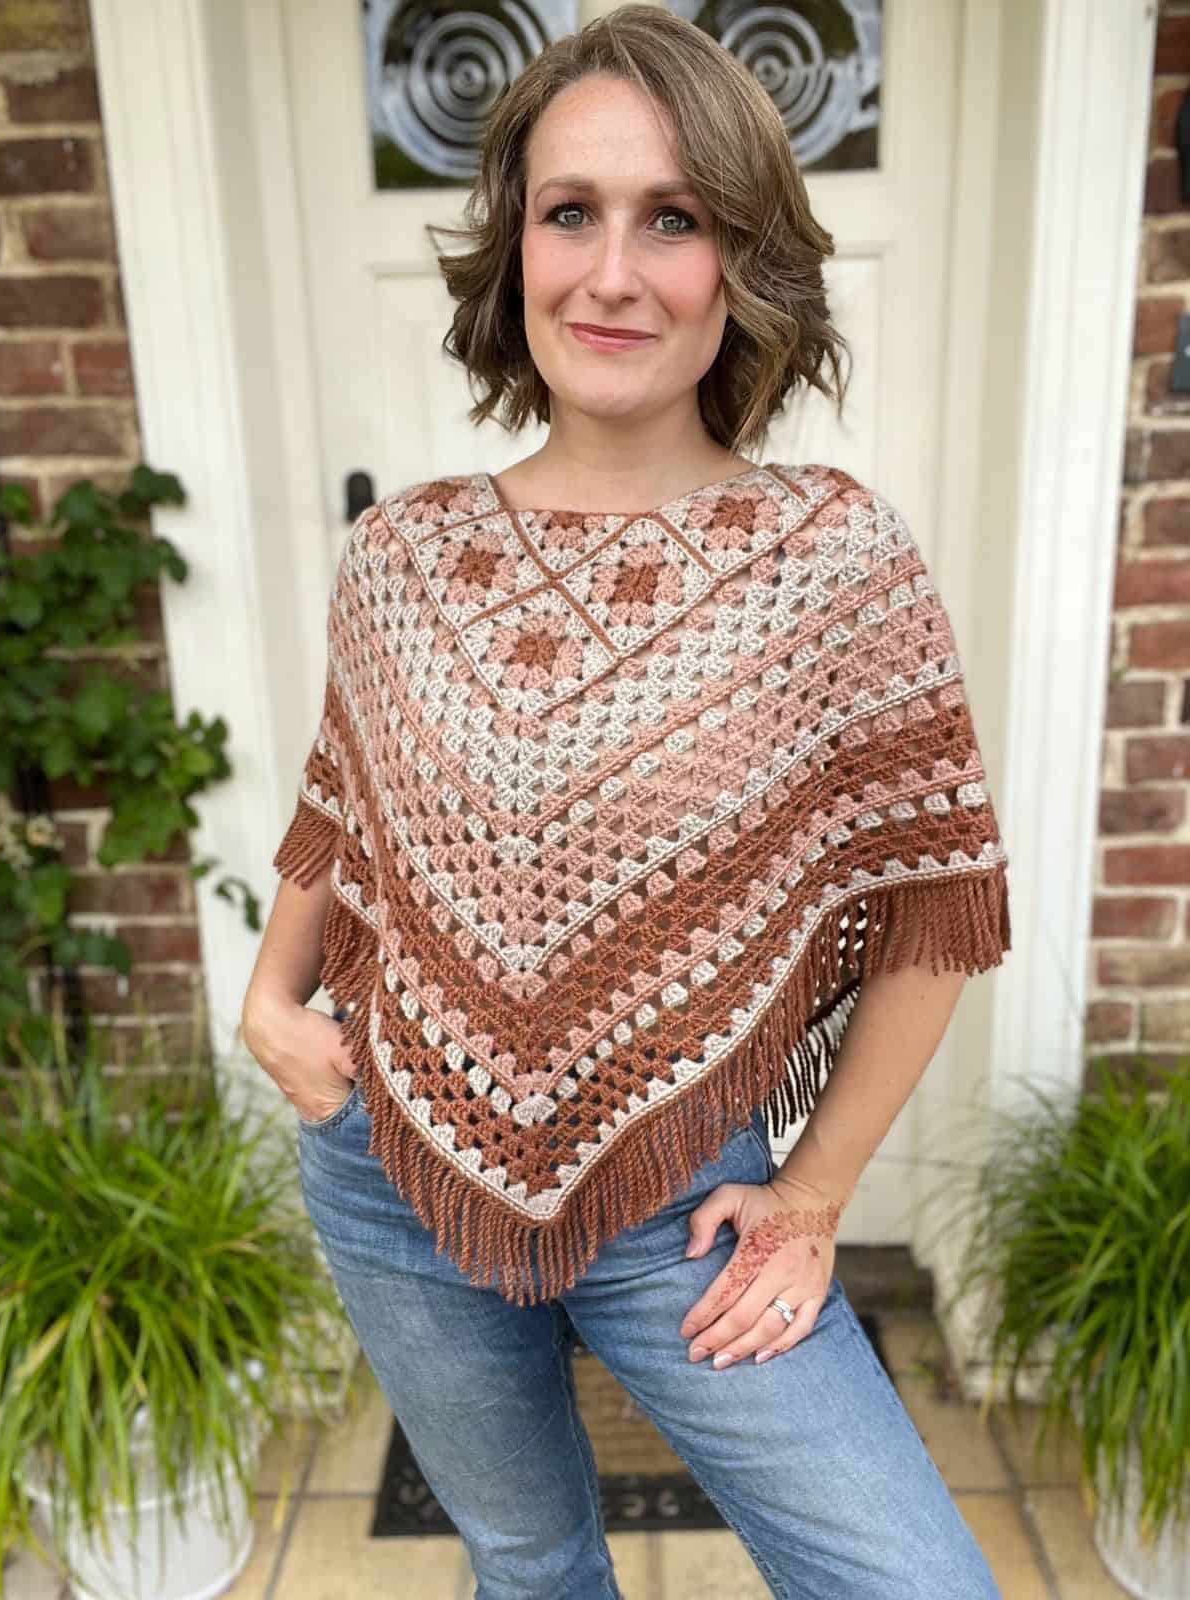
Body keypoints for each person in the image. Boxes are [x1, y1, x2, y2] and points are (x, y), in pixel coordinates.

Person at [241, 7, 1010, 1597]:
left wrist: (813, 1195)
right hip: (392, 1167)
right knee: (526, 1556)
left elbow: (936, 899)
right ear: (512, 249)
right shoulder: (406, 555)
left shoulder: (829, 558)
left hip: (682, 1197)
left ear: (745, 263)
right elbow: (339, 807)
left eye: (675, 220)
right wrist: (269, 1001)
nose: (611, 272)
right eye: (568, 212)